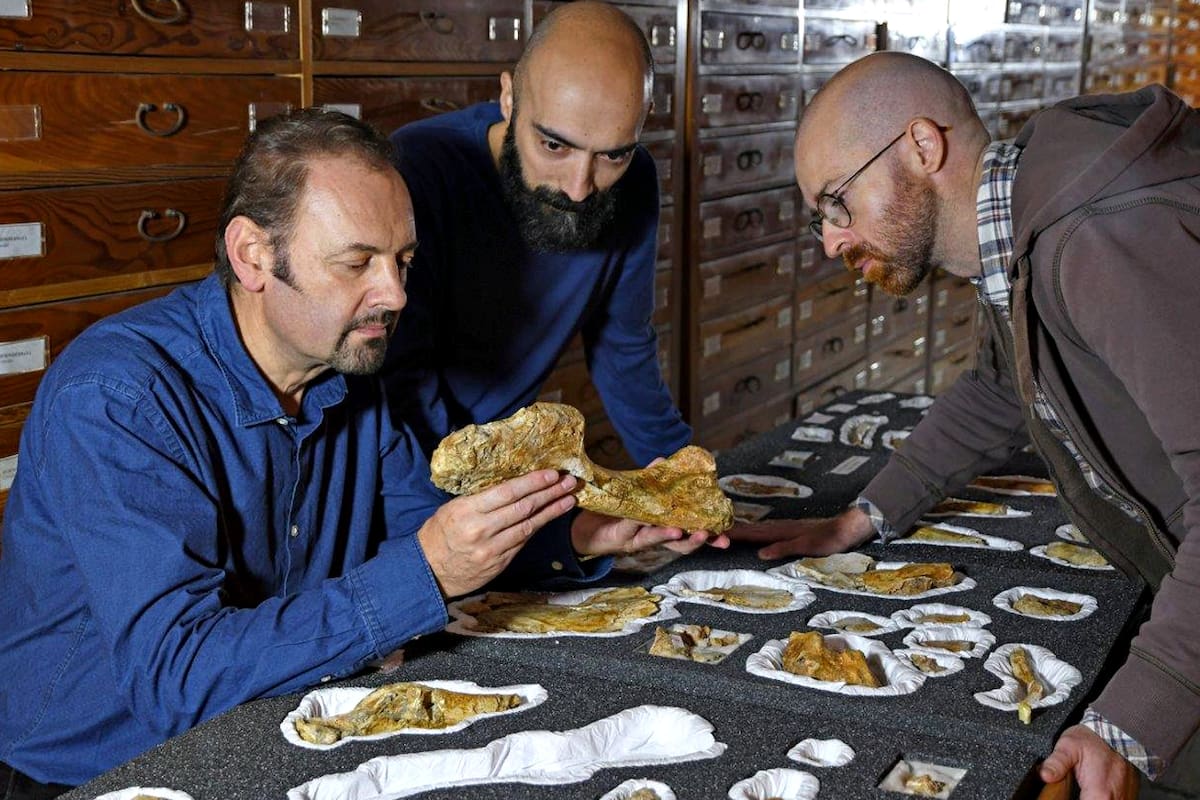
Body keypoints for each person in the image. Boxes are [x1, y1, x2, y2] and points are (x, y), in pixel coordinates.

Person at [0, 109, 710, 795]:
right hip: (96, 771)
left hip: (275, 721)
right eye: (357, 263)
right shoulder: (119, 396)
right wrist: (426, 572)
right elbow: (178, 675)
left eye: (403, 260)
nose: (396, 294)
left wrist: (582, 536)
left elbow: (423, 528)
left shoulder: (344, 369)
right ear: (252, 255)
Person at [733, 52, 1200, 797]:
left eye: (837, 202)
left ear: (922, 146)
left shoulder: (1094, 238)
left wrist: (1139, 712)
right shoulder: (1027, 222)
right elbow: (999, 384)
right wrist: (863, 518)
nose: (830, 241)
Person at [383, 2, 694, 481]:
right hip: (401, 460)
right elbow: (400, 382)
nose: (578, 187)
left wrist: (685, 481)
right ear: (509, 98)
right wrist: (477, 500)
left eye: (613, 154)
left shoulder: (636, 182)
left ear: (644, 119)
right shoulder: (418, 170)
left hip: (501, 464)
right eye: (554, 146)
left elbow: (623, 348)